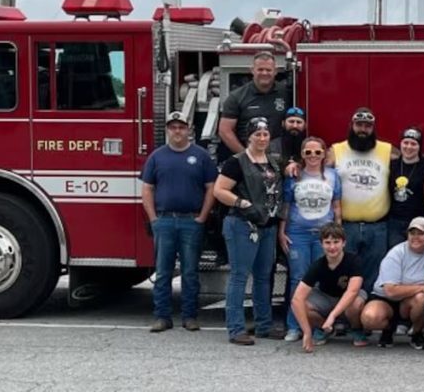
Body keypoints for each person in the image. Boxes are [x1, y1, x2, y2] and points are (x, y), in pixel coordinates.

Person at [141, 111, 218, 333]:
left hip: (191, 222)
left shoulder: (201, 156)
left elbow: (211, 188)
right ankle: (162, 317)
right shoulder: (157, 156)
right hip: (164, 221)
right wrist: (153, 218)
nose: (177, 131)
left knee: (190, 272)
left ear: (189, 130)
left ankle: (189, 316)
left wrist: (202, 216)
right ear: (167, 130)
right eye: (173, 127)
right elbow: (147, 189)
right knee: (163, 272)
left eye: (181, 127)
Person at [212, 117, 283, 345]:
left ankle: (263, 325)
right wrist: (243, 204)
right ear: (248, 137)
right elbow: (219, 190)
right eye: (257, 135)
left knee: (264, 277)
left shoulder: (273, 161)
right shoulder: (237, 162)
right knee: (239, 276)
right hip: (242, 224)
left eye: (265, 134)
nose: (262, 139)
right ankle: (236, 328)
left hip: (268, 226)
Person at [279, 136, 342, 342]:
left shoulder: (333, 175)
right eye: (308, 152)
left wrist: (338, 232)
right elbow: (287, 206)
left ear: (324, 154)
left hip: (324, 235)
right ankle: (294, 326)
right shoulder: (294, 175)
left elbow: (336, 205)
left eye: (317, 152)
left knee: (319, 282)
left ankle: (316, 327)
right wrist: (282, 231)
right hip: (298, 233)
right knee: (297, 279)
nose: (313, 156)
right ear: (302, 155)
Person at [330, 107, 392, 293]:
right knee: (343, 274)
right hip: (346, 226)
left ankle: (368, 317)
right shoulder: (335, 150)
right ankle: (345, 315)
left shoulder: (388, 150)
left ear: (373, 128)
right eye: (359, 125)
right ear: (351, 126)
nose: (363, 130)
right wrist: (293, 165)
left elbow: (411, 159)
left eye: (367, 126)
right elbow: (313, 166)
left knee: (374, 275)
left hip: (378, 227)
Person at [291, 223, 369, 352]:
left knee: (355, 303)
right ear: (321, 244)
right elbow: (297, 299)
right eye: (327, 242)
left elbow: (352, 291)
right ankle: (323, 329)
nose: (332, 247)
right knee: (302, 305)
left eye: (336, 242)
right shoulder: (317, 265)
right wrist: (307, 332)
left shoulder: (354, 261)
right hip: (325, 296)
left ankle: (356, 329)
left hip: (349, 297)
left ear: (344, 243)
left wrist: (332, 316)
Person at [361, 217, 424, 350]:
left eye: (421, 233)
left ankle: (416, 333)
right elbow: (390, 291)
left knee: (421, 299)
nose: (416, 237)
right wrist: (422, 287)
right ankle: (388, 329)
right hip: (386, 299)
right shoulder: (396, 253)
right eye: (412, 233)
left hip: (411, 301)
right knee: (369, 318)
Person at [218, 51, 289, 158]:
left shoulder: (286, 93)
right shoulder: (237, 96)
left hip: (279, 154)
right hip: (249, 151)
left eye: (268, 70)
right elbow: (225, 130)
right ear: (252, 71)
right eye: (260, 69)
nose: (264, 73)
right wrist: (246, 155)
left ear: (275, 71)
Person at [386, 127, 424, 249]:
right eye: (405, 143)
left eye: (413, 144)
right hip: (394, 223)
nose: (409, 147)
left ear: (419, 147)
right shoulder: (392, 165)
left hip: (418, 222)